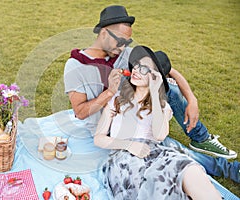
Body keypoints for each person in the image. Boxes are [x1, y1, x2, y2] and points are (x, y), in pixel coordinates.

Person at [63, 5, 239, 183]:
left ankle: (201, 139)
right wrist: (109, 92)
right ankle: (227, 169)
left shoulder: (125, 54)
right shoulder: (75, 66)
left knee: (167, 87)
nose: (124, 47)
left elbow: (168, 72)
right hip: (110, 128)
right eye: (121, 41)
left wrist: (192, 100)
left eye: (127, 42)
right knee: (175, 152)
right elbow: (80, 111)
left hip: (136, 116)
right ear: (104, 33)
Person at [93, 45, 221, 200]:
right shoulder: (117, 100)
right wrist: (129, 145)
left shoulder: (162, 106)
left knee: (190, 169)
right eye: (137, 65)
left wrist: (154, 92)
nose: (136, 70)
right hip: (125, 157)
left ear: (155, 78)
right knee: (154, 184)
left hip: (156, 154)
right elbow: (98, 138)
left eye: (145, 69)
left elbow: (160, 136)